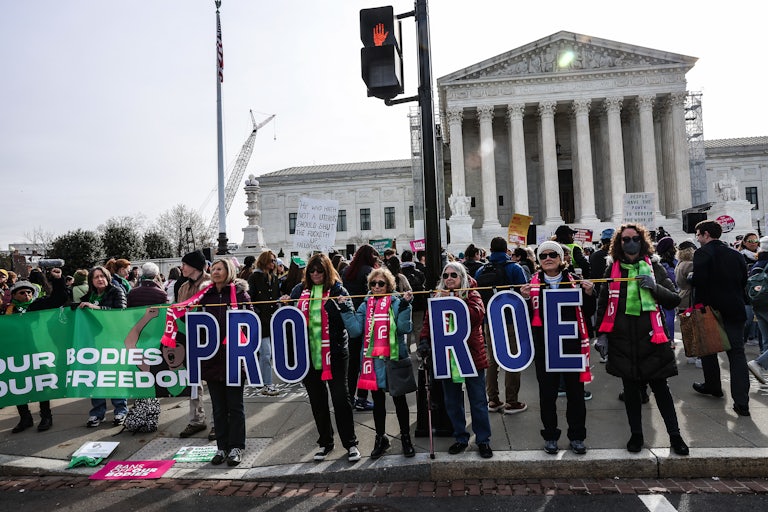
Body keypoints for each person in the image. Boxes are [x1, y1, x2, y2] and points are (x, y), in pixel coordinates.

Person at [595, 224, 688, 455]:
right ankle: (636, 435)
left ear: (642, 240)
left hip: (652, 339)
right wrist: (601, 335)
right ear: (619, 243)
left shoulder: (653, 267)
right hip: (623, 341)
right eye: (625, 240)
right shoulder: (612, 271)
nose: (630, 243)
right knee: (632, 394)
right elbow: (603, 304)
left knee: (662, 391)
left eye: (635, 238)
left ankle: (675, 437)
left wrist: (654, 287)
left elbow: (673, 299)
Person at [520, 241, 594, 455]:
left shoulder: (576, 282)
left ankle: (577, 436)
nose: (548, 258)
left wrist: (590, 294)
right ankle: (550, 435)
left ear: (562, 258)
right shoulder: (532, 284)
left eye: (553, 254)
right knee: (547, 395)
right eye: (543, 255)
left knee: (576, 394)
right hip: (546, 346)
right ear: (538, 261)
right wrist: (525, 299)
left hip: (571, 345)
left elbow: (588, 313)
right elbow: (526, 319)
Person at [288, 253, 360, 462]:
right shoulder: (299, 290)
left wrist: (340, 306)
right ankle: (325, 442)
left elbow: (349, 321)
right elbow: (291, 321)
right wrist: (283, 304)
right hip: (309, 353)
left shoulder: (338, 289)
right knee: (317, 401)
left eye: (319, 270)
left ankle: (351, 443)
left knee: (340, 398)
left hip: (335, 352)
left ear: (327, 270)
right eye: (311, 270)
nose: (315, 274)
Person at [339, 267, 416, 458]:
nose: (376, 287)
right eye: (373, 283)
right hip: (372, 361)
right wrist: (346, 309)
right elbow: (356, 330)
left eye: (381, 283)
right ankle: (381, 438)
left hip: (393, 358)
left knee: (399, 401)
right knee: (378, 403)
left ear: (388, 285)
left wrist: (406, 307)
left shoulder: (397, 302)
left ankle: (406, 437)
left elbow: (404, 328)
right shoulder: (366, 305)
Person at [419, 262, 493, 459]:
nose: (449, 278)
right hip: (446, 356)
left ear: (462, 278)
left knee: (478, 401)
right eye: (446, 275)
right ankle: (460, 437)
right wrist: (424, 340)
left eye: (454, 275)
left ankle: (483, 440)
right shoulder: (437, 296)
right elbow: (428, 321)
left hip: (470, 356)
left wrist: (454, 301)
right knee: (452, 401)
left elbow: (477, 315)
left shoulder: (472, 293)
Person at [691, 220, 751, 416]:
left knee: (709, 350)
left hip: (710, 310)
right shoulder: (736, 254)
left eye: (698, 234)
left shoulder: (702, 254)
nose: (697, 238)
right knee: (737, 355)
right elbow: (743, 280)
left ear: (706, 234)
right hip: (734, 308)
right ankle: (742, 402)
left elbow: (699, 282)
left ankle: (713, 386)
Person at [197, 258, 251, 466]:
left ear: (229, 271)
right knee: (218, 408)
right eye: (214, 268)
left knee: (235, 406)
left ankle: (236, 447)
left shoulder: (239, 294)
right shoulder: (205, 296)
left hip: (234, 359)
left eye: (220, 268)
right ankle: (222, 447)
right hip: (212, 361)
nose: (216, 272)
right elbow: (194, 322)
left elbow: (250, 321)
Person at [2, 269, 68, 432]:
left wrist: (58, 279)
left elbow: (58, 299)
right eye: (22, 292)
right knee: (17, 384)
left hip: (37, 352)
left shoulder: (37, 306)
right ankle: (25, 418)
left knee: (41, 384)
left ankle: (46, 417)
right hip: (16, 353)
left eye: (29, 292)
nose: (26, 295)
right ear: (14, 295)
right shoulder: (7, 312)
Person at [475, 236, 528, 415]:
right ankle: (512, 401)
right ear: (506, 250)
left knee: (492, 360)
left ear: (490, 250)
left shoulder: (481, 270)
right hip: (511, 320)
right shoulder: (514, 268)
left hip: (490, 320)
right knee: (513, 359)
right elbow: (524, 294)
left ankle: (493, 399)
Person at [79, 265, 128, 427]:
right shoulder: (88, 296)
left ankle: (121, 410)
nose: (100, 279)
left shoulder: (117, 291)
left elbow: (121, 313)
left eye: (103, 276)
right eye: (96, 277)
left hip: (113, 341)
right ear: (91, 281)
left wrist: (97, 308)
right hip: (94, 343)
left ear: (107, 278)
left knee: (113, 376)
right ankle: (97, 413)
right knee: (95, 378)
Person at [176, 250, 214, 440]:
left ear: (194, 266)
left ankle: (218, 422)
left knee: (215, 382)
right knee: (193, 382)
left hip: (210, 340)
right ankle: (196, 420)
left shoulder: (211, 283)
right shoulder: (183, 287)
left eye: (184, 264)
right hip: (190, 339)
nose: (181, 267)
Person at [342, 244, 380, 412]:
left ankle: (349, 397)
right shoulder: (368, 271)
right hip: (366, 317)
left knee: (352, 364)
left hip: (351, 318)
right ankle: (362, 398)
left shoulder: (347, 271)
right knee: (366, 360)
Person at [247, 251, 281, 396]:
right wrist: (257, 313)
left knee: (267, 353)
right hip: (260, 322)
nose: (274, 263)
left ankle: (261, 381)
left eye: (275, 260)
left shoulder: (273, 278)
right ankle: (266, 383)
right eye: (272, 260)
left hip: (272, 321)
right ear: (265, 261)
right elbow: (250, 299)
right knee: (265, 353)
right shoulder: (254, 277)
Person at [655, 237, 678, 342]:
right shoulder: (673, 262)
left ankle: (664, 338)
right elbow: (675, 278)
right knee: (669, 314)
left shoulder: (657, 262)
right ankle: (670, 339)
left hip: (658, 290)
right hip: (670, 290)